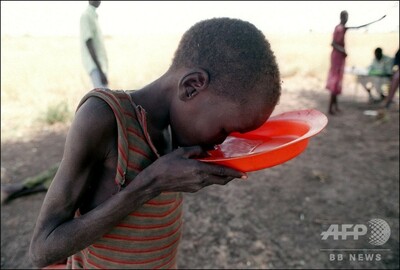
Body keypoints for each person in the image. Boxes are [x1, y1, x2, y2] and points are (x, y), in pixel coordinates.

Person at [29, 17, 282, 269]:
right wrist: (150, 184)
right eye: (225, 130)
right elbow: (42, 250)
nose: (223, 141)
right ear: (192, 87)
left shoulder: (175, 131)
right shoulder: (104, 119)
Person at [325, 10, 371, 115]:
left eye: (347, 16)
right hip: (337, 57)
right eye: (345, 16)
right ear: (341, 17)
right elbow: (333, 43)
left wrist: (368, 24)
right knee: (335, 82)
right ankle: (330, 108)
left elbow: (356, 27)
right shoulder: (339, 28)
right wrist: (343, 51)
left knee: (337, 82)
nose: (346, 19)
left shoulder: (343, 28)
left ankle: (335, 107)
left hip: (339, 58)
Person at [80, 0, 108, 88]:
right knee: (103, 97)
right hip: (95, 66)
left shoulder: (94, 16)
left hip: (100, 66)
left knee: (105, 96)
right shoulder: (86, 16)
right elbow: (89, 43)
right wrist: (100, 70)